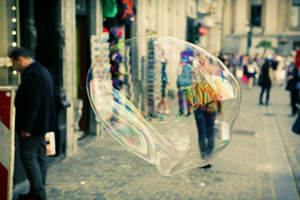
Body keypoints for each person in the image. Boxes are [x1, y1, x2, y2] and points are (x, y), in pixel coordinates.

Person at [9, 47, 57, 200]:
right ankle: (39, 188)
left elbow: (33, 104)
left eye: (14, 64)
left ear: (20, 60)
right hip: (42, 124)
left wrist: (27, 128)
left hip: (34, 126)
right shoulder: (41, 70)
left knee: (29, 157)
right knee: (40, 155)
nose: (14, 68)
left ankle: (38, 193)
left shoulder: (34, 74)